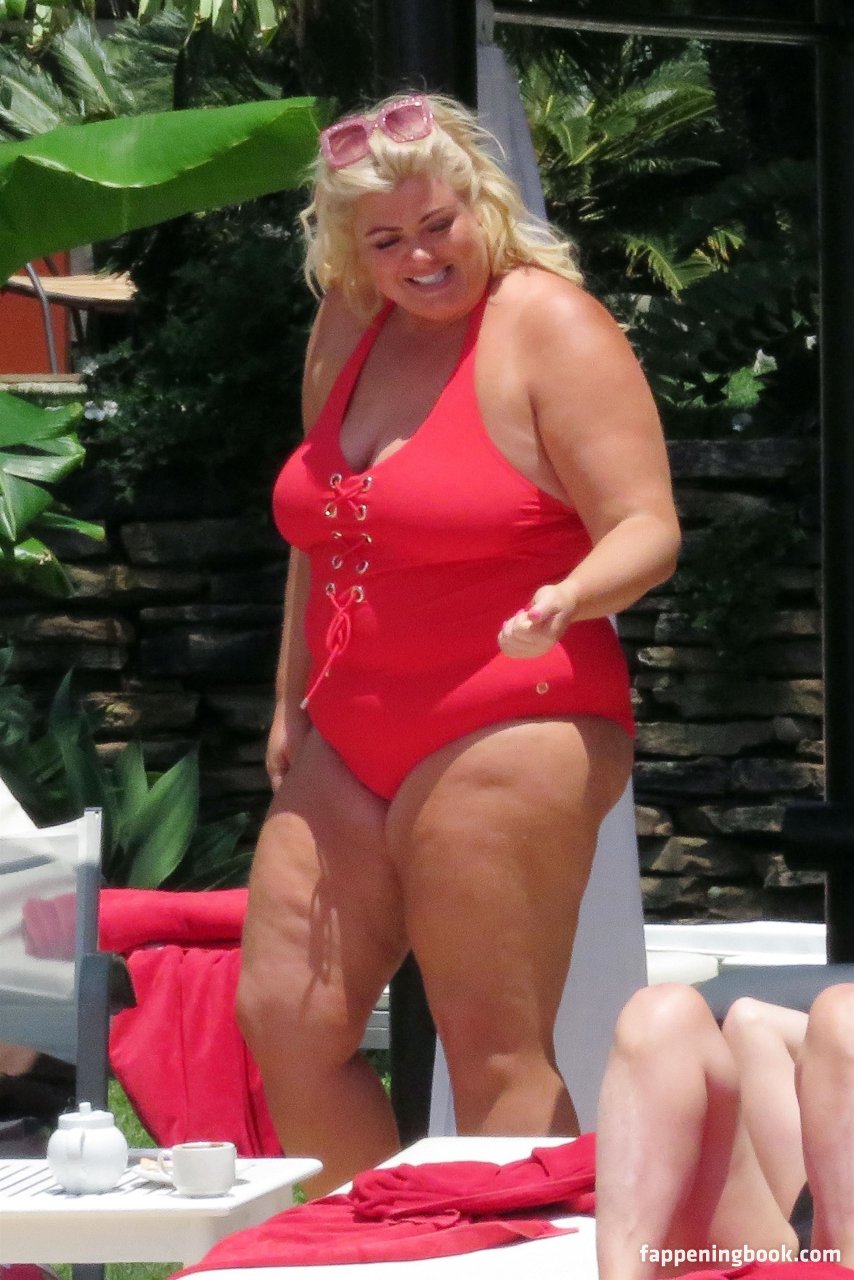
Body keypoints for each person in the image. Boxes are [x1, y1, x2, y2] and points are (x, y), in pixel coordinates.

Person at [236, 92, 680, 1194]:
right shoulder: (349, 322)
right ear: (351, 250)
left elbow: (646, 527)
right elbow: (319, 526)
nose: (420, 257)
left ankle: (510, 1254)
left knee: (491, 1049)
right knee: (286, 1020)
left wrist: (569, 596)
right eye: (387, 240)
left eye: (438, 224)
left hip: (512, 708)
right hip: (351, 723)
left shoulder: (552, 324)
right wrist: (289, 700)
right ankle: (385, 1249)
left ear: (483, 203)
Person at [595, 982, 854, 1279]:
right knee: (663, 1014)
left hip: (838, 1249)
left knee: (842, 1014)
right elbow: (750, 1021)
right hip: (795, 1235)